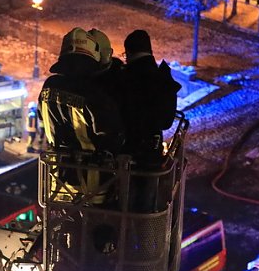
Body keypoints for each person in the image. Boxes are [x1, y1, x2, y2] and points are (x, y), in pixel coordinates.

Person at [38, 27, 125, 203]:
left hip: (58, 181)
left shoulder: (48, 86)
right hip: (94, 187)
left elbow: (42, 117)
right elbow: (112, 135)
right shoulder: (94, 95)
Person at [117, 29, 181, 166]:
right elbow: (166, 123)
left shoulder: (123, 78)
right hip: (152, 153)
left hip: (127, 154)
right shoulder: (162, 77)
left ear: (128, 53)